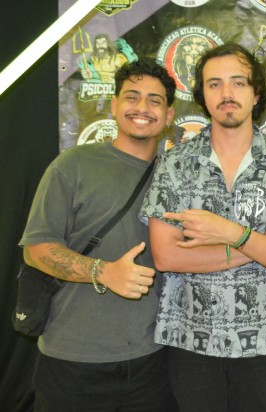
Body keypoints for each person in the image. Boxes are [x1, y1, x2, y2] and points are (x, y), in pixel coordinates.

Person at [140, 43, 266, 412]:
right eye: (215, 84)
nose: (227, 93)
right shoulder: (175, 164)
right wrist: (256, 244)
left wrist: (231, 233)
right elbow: (167, 256)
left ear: (257, 94)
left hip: (264, 341)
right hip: (190, 339)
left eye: (238, 83)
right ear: (203, 96)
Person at [19, 59, 177, 411]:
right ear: (114, 105)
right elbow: (36, 249)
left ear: (169, 115)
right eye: (132, 97)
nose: (142, 107)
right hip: (72, 360)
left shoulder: (178, 178)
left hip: (151, 361)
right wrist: (103, 271)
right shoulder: (72, 165)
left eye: (154, 100)